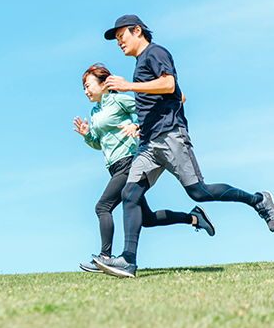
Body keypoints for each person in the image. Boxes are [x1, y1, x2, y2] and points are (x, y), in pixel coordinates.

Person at [92, 15, 274, 279]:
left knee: (199, 192)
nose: (119, 42)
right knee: (129, 195)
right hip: (148, 144)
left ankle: (258, 200)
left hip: (170, 136)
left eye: (121, 36)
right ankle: (128, 260)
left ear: (137, 31)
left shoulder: (155, 53)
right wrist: (139, 125)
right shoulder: (140, 64)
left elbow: (169, 84)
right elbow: (177, 94)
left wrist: (128, 86)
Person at [74, 63, 215, 274]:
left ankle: (104, 258)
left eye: (88, 86)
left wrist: (136, 126)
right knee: (146, 218)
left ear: (104, 84)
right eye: (83, 88)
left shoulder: (118, 99)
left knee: (102, 207)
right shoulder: (94, 112)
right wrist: (87, 135)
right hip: (114, 166)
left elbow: (148, 111)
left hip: (130, 162)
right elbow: (99, 142)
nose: (86, 91)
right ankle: (194, 217)